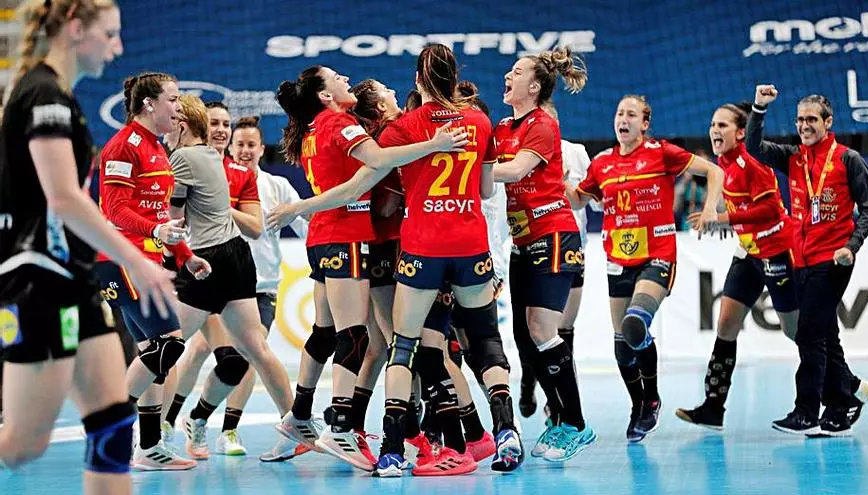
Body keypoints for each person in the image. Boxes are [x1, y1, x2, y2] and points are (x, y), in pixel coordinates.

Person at [0, 1, 175, 493]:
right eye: (111, 34)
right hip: (38, 277)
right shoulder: (43, 94)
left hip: (71, 275)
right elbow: (64, 198)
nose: (118, 47)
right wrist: (138, 260)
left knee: (113, 420)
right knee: (23, 445)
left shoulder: (60, 97)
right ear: (76, 30)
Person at [267, 61, 469, 473]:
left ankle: (302, 414)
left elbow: (357, 177)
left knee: (332, 334)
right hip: (347, 236)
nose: (345, 79)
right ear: (325, 95)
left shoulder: (314, 129)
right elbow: (374, 163)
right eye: (336, 78)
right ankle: (342, 426)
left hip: (325, 237)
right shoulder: (337, 123)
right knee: (357, 337)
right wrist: (435, 144)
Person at [567, 94, 724, 442]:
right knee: (622, 345)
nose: (623, 119)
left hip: (658, 255)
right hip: (617, 258)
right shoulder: (602, 163)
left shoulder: (661, 153)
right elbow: (578, 198)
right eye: (619, 113)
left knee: (635, 324)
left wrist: (711, 208)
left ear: (645, 123)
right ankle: (638, 403)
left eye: (631, 114)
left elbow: (714, 171)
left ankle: (651, 397)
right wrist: (556, 182)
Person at [162, 94, 296, 459]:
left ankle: (225, 424)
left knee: (242, 358)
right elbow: (171, 218)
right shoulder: (186, 163)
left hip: (250, 281)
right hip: (201, 271)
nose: (221, 130)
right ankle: (159, 424)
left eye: (226, 124)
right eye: (215, 125)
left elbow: (256, 226)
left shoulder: (250, 179)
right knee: (182, 348)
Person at [747, 85, 868, 437]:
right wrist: (759, 108)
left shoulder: (848, 159)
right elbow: (753, 147)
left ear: (828, 121)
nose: (804, 126)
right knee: (824, 334)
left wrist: (851, 246)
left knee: (807, 332)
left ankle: (806, 410)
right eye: (800, 120)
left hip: (834, 259)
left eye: (811, 120)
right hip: (801, 260)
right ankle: (845, 401)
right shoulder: (794, 158)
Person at [94, 72, 210, 471]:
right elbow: (115, 210)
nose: (179, 107)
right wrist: (157, 232)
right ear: (149, 104)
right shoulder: (123, 146)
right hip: (122, 260)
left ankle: (147, 448)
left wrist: (185, 254)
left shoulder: (156, 147)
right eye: (173, 99)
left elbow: (159, 214)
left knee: (153, 356)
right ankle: (109, 430)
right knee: (169, 346)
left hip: (146, 260)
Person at [491, 46, 595, 462]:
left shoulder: (543, 124)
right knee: (523, 338)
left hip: (553, 235)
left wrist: (465, 166)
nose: (507, 76)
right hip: (522, 242)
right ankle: (560, 417)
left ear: (534, 86)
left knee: (542, 330)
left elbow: (514, 170)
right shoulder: (502, 127)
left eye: (517, 72)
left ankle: (576, 424)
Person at [673, 102, 800, 430]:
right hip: (748, 252)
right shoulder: (723, 162)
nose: (714, 130)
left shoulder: (752, 161)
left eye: (723, 125)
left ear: (741, 133)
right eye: (712, 125)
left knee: (795, 331)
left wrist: (723, 218)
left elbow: (771, 210)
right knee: (726, 324)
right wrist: (724, 221)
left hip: (776, 251)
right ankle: (713, 408)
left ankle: (844, 388)